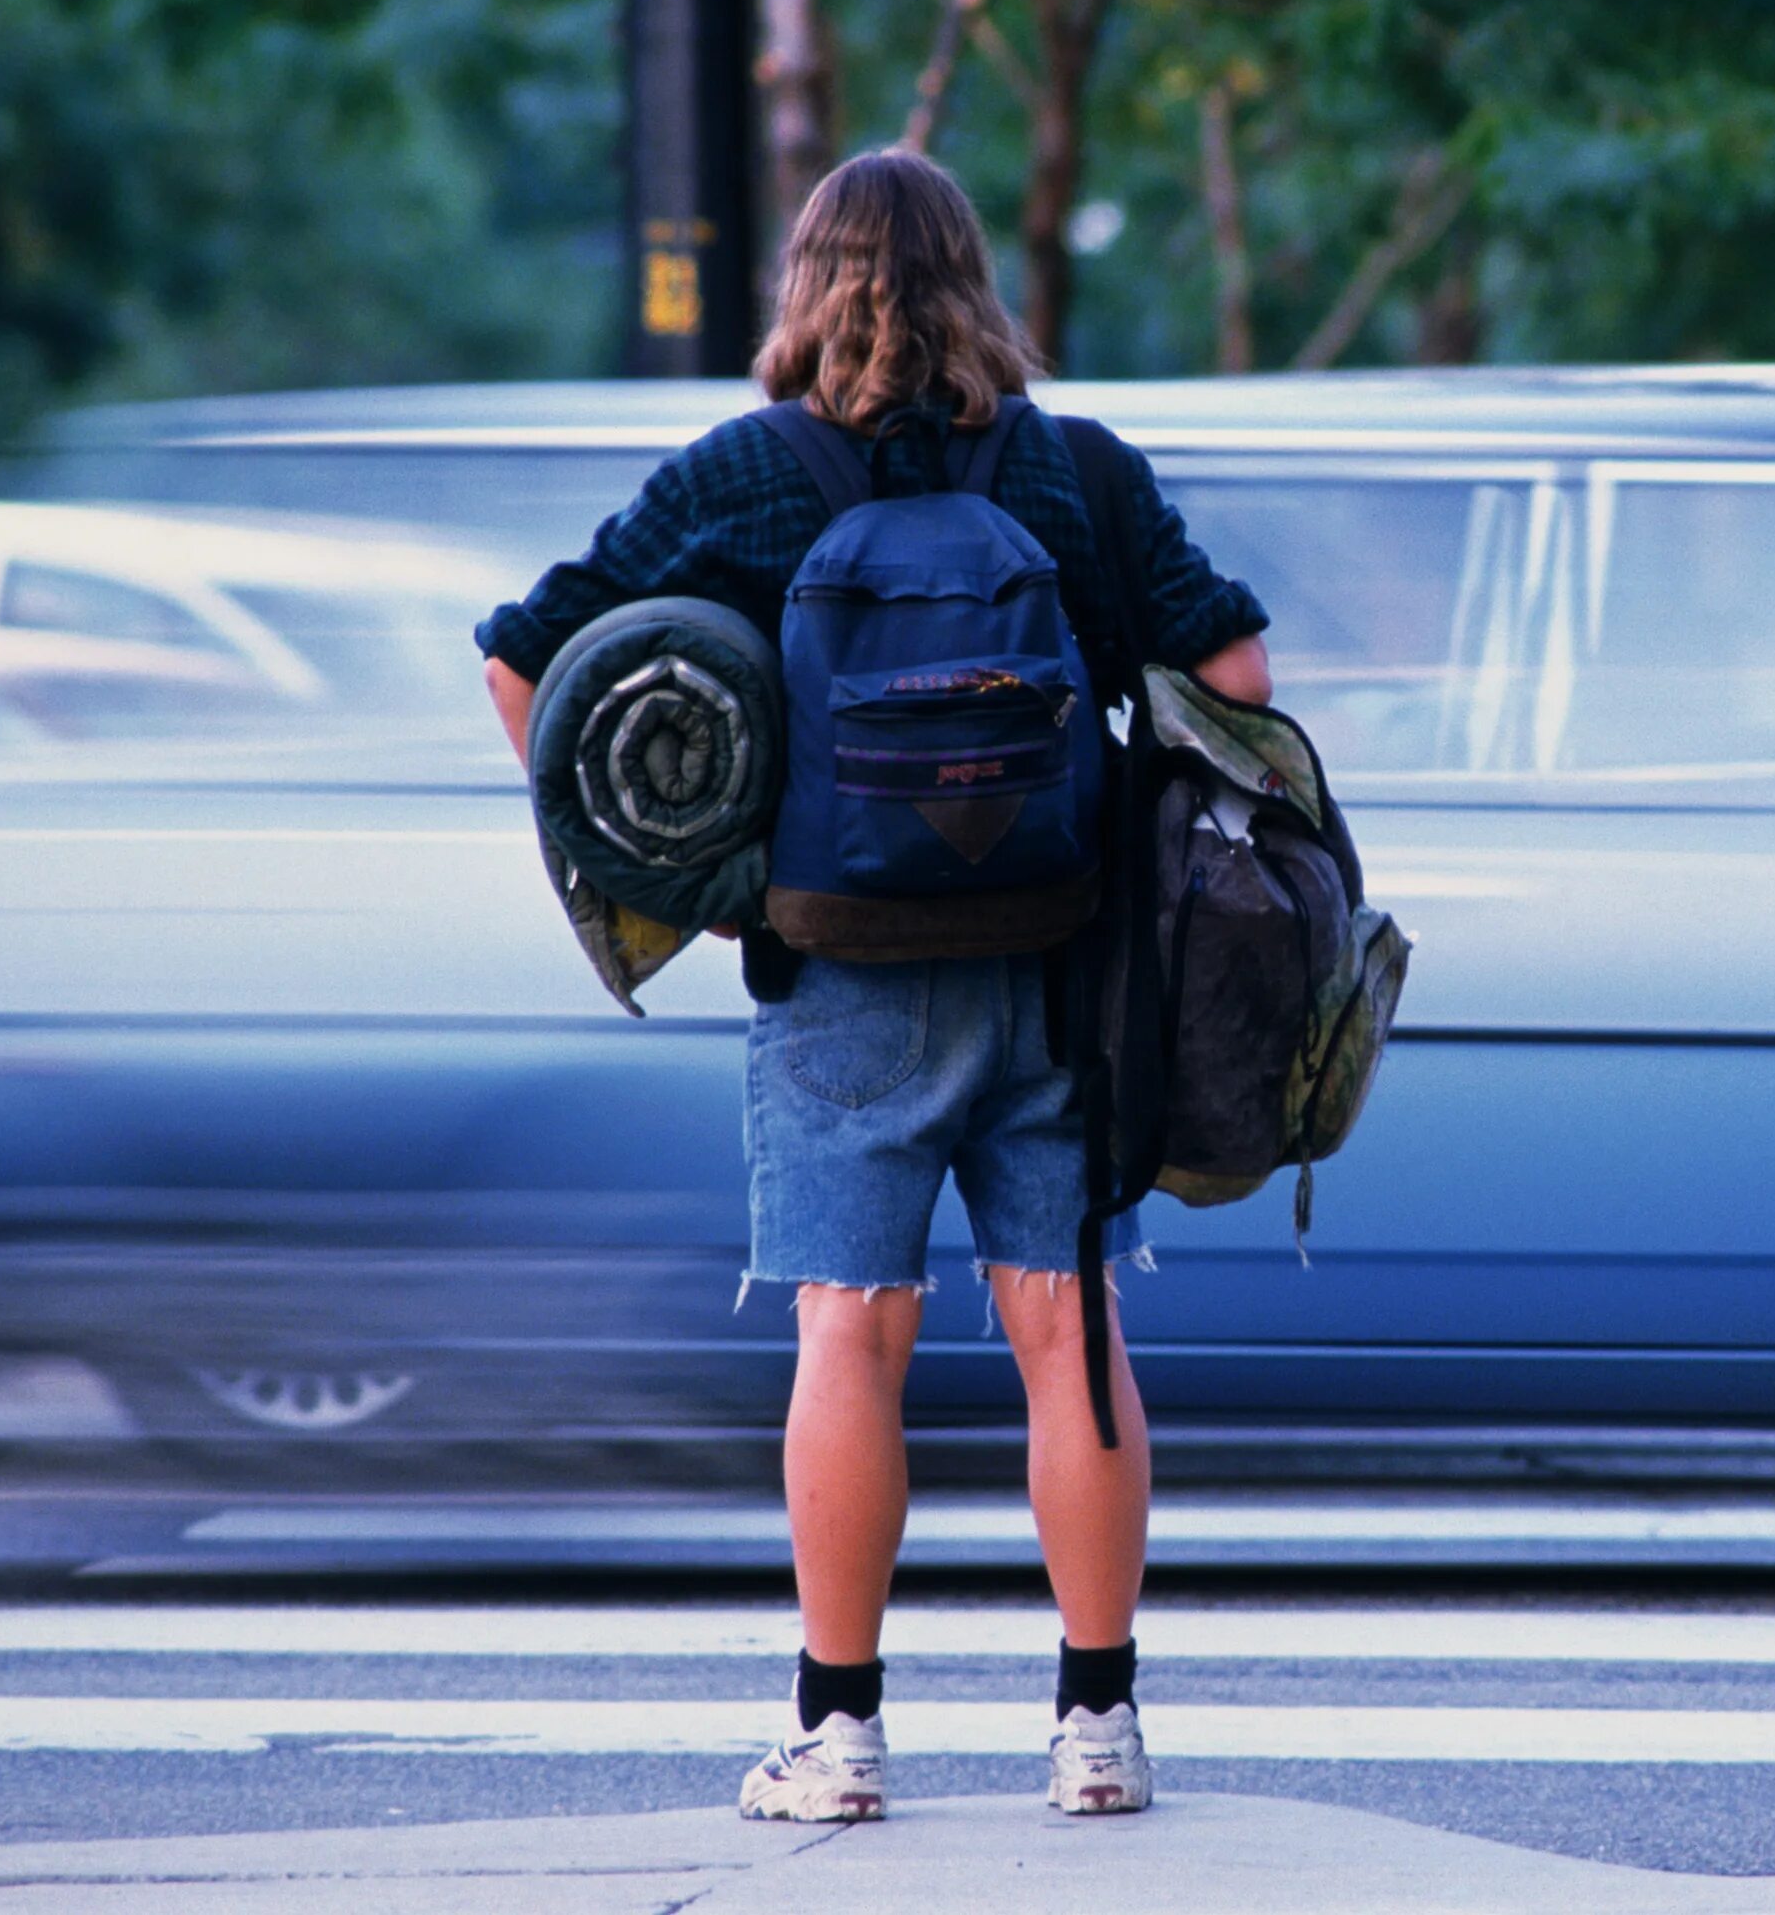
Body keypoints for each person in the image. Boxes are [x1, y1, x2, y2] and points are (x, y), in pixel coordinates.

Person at [475, 149, 1271, 1824]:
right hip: (1059, 963)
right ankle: (1099, 1728)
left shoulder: (743, 481)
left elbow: (526, 653)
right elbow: (1236, 671)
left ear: (805, 285)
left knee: (852, 1332)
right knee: (1072, 1325)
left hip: (838, 965)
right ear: (980, 284)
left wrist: (680, 863)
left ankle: (837, 1736)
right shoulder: (1071, 472)